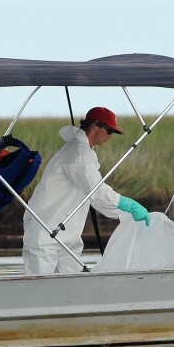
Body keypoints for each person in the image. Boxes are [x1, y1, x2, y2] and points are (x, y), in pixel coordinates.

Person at [22, 107, 151, 274]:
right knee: (38, 290)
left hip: (67, 236)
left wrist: (123, 213)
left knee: (74, 289)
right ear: (95, 125)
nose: (111, 136)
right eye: (109, 130)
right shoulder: (78, 153)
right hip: (45, 232)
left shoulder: (87, 152)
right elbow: (96, 191)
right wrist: (128, 205)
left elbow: (94, 198)